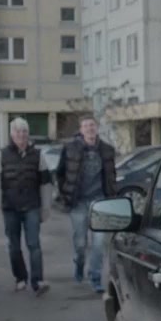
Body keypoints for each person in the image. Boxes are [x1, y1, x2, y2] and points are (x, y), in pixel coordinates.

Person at [0, 118, 54, 296]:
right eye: (17, 131)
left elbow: (46, 183)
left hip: (32, 206)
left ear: (28, 134)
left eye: (24, 131)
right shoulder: (1, 155)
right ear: (12, 134)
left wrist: (46, 208)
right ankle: (20, 278)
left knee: (34, 244)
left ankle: (38, 281)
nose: (21, 135)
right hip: (11, 208)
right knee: (14, 246)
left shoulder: (38, 155)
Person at [54, 116, 117, 294]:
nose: (90, 128)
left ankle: (95, 276)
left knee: (99, 243)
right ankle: (79, 263)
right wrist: (65, 193)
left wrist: (112, 195)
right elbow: (60, 173)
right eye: (86, 126)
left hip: (100, 202)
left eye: (92, 125)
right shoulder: (70, 148)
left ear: (97, 128)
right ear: (81, 130)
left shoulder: (107, 150)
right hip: (79, 202)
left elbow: (111, 175)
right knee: (81, 243)